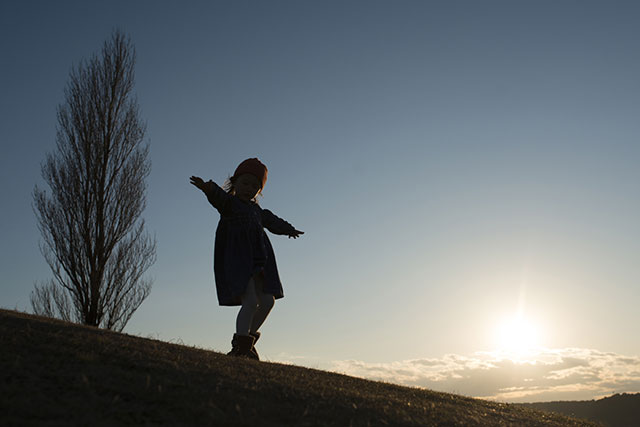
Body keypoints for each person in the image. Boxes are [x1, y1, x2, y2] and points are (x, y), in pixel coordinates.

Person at [190, 158, 303, 360]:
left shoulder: (258, 212)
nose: (248, 188)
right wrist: (207, 187)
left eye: (254, 186)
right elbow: (218, 198)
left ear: (258, 191)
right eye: (244, 183)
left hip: (261, 261)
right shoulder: (230, 204)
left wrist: (288, 229)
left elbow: (272, 221)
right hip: (239, 261)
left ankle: (245, 342)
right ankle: (242, 348)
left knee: (268, 301)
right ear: (235, 183)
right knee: (250, 302)